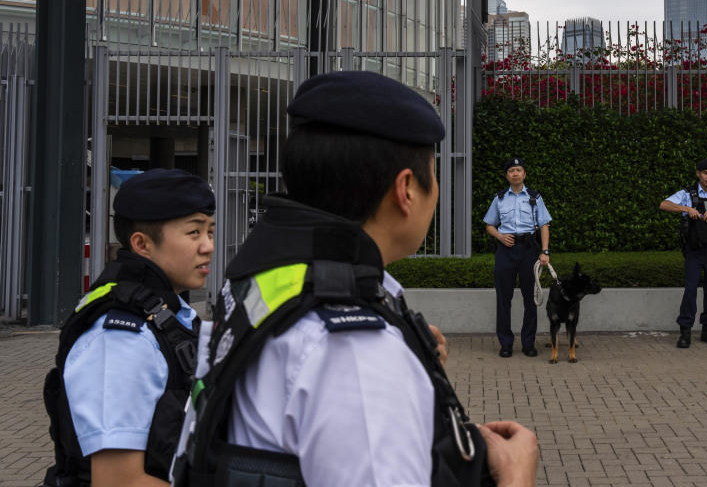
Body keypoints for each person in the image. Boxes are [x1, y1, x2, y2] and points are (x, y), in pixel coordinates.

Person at [171, 71, 538, 487]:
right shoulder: (355, 355)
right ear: (406, 189)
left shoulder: (269, 280)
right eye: (432, 175)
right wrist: (515, 476)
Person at [42, 169, 215, 487]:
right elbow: (119, 481)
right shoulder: (121, 341)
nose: (208, 247)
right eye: (194, 233)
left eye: (210, 232)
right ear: (142, 244)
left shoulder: (169, 314)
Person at [659, 158, 707, 348]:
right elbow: (664, 204)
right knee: (691, 291)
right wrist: (686, 208)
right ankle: (685, 332)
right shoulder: (687, 193)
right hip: (693, 250)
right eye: (705, 173)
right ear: (698, 174)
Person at [483, 157, 553, 358]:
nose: (515, 173)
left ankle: (528, 343)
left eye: (518, 170)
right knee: (503, 299)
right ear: (507, 175)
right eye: (511, 170)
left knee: (530, 299)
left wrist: (545, 251)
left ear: (524, 174)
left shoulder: (534, 197)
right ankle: (505, 343)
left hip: (528, 250)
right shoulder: (499, 198)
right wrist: (500, 236)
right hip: (505, 251)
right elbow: (489, 224)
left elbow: (544, 225)